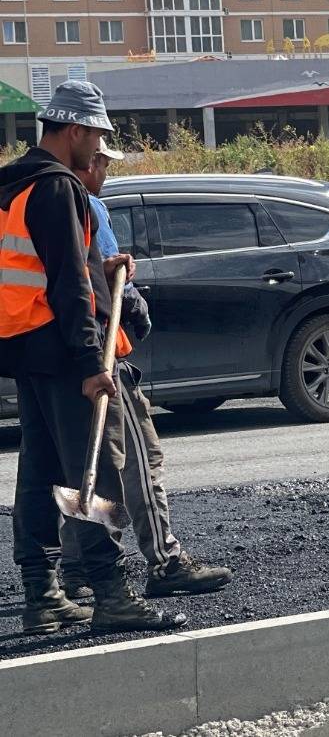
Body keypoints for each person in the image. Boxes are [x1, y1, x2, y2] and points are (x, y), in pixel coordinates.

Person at [1, 80, 184, 634]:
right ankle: (111, 594)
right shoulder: (60, 188)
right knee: (97, 472)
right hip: (61, 351)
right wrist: (90, 365)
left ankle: (43, 595)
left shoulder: (12, 184)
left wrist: (97, 271)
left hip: (22, 348)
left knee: (38, 473)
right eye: (98, 135)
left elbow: (37, 269)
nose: (99, 147)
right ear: (75, 130)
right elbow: (63, 287)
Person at [57, 137, 234, 602]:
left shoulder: (44, 203)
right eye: (104, 163)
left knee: (86, 468)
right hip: (105, 359)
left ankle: (74, 570)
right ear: (90, 161)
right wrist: (137, 314)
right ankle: (165, 561)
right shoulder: (89, 206)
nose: (106, 173)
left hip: (68, 360)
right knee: (140, 459)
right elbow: (112, 287)